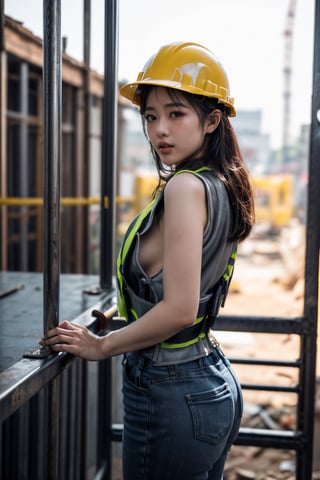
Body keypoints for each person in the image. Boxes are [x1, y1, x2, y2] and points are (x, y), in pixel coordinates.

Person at [41, 41, 255, 480]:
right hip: (210, 380)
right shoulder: (223, 184)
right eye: (151, 116)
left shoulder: (185, 188)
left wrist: (100, 346)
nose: (161, 130)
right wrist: (129, 304)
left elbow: (179, 308)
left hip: (171, 388)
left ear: (212, 120)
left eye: (176, 114)